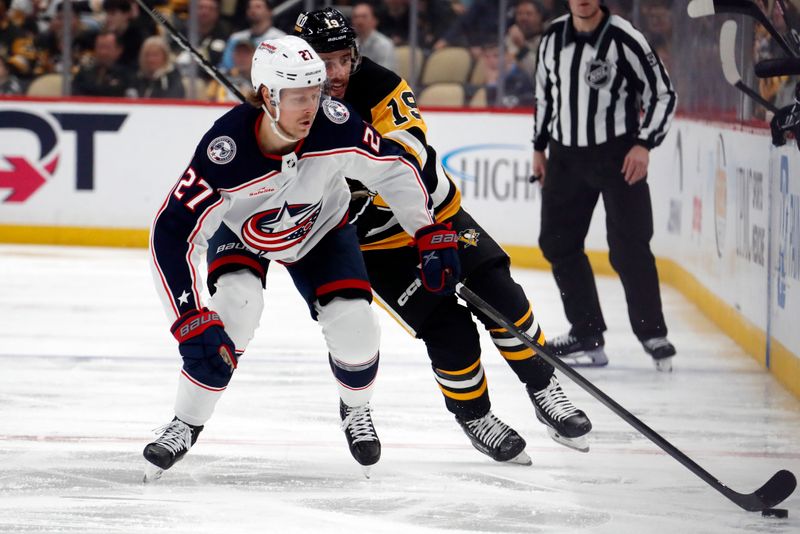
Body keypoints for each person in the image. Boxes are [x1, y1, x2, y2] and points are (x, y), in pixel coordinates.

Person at [143, 35, 459, 481]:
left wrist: (426, 228)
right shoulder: (225, 151)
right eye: (297, 97)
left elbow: (393, 166)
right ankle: (185, 422)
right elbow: (172, 232)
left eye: (315, 93)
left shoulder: (336, 123)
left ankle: (356, 408)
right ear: (268, 96)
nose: (310, 108)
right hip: (243, 233)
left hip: (322, 227)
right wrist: (188, 317)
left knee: (355, 324)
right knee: (235, 309)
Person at [294, 7, 592, 463]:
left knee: (503, 296)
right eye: (323, 60)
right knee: (447, 327)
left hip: (436, 218)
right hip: (376, 249)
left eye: (341, 59)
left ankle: (544, 386)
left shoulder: (380, 84)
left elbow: (409, 150)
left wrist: (357, 170)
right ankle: (475, 416)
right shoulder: (290, 104)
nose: (335, 72)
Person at [532, 0, 677, 370]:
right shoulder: (552, 36)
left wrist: (644, 143)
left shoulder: (625, 38)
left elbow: (662, 93)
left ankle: (652, 333)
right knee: (557, 242)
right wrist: (539, 148)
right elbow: (544, 94)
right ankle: (586, 332)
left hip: (616, 156)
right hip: (564, 156)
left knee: (630, 246)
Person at [218, 0, 284, 71]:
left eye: (258, 7)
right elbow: (225, 66)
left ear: (270, 12)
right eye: (249, 7)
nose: (253, 10)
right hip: (236, 79)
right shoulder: (236, 37)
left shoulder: (281, 39)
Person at [71, 30, 136, 97]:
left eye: (107, 48)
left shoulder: (127, 75)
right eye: (100, 47)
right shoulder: (84, 73)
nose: (103, 52)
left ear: (119, 50)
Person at [351, 2, 395, 71]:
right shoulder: (351, 43)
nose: (359, 21)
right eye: (356, 17)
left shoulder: (384, 44)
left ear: (375, 21)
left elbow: (385, 74)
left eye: (364, 17)